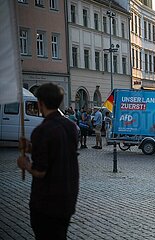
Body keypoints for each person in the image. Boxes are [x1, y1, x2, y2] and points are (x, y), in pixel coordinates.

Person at [17, 83, 79, 240]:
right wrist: (31, 147)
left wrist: (26, 164)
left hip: (47, 202)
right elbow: (57, 150)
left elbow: (40, 171)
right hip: (67, 197)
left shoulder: (42, 131)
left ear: (41, 103)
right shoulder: (71, 127)